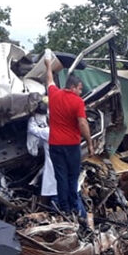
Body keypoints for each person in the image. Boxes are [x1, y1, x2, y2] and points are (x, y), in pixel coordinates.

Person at [43, 56, 94, 216]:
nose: (80, 92)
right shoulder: (78, 102)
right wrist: (90, 143)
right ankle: (74, 208)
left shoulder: (54, 94)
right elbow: (83, 124)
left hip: (55, 145)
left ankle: (64, 209)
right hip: (71, 145)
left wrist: (48, 66)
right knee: (72, 177)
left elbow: (49, 81)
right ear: (73, 87)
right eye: (80, 88)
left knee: (61, 177)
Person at [27, 100, 57, 203]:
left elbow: (32, 129)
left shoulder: (47, 132)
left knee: (49, 187)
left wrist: (32, 117)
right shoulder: (59, 130)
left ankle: (48, 205)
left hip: (51, 165)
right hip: (60, 162)